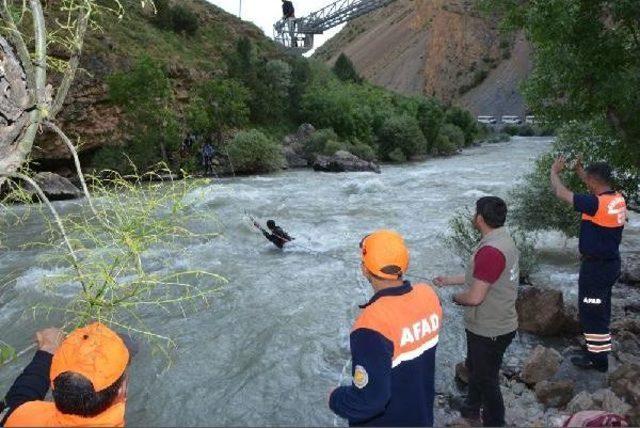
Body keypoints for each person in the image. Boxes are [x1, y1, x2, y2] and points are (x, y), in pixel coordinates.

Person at [329, 230, 443, 426]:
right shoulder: (429, 295)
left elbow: (369, 402)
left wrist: (335, 398)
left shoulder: (370, 325)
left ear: (364, 270)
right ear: (404, 264)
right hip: (421, 417)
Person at [434, 196, 519, 427]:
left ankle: (495, 422)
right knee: (475, 368)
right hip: (495, 322)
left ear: (480, 218)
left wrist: (452, 297)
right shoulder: (502, 239)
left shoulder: (491, 250)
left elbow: (474, 297)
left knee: (486, 378)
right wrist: (449, 280)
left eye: (475, 212)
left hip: (490, 327)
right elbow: (484, 276)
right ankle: (471, 409)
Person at [550, 156, 627, 372]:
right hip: (610, 263)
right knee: (600, 308)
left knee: (592, 312)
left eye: (588, 180)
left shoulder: (594, 204)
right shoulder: (616, 198)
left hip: (596, 268)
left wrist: (554, 172)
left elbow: (560, 193)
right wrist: (579, 170)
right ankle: (597, 349)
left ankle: (598, 361)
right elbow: (593, 184)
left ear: (593, 181)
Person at [2, 322, 133, 427]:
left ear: (53, 381)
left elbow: (17, 402)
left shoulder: (16, 417)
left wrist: (47, 351)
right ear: (121, 390)